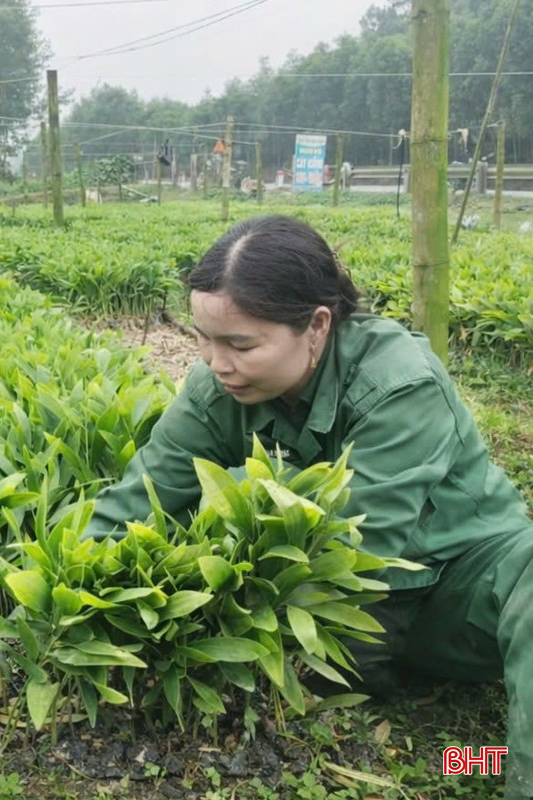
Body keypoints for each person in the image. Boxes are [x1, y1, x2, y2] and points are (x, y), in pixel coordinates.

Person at [85, 215, 533, 798]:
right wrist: (83, 599)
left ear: (317, 325)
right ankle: (430, 728)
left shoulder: (398, 382)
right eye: (203, 338)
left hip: (459, 591)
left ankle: (503, 768)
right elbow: (139, 499)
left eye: (241, 344)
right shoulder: (216, 390)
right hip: (353, 629)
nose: (217, 363)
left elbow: (358, 548)